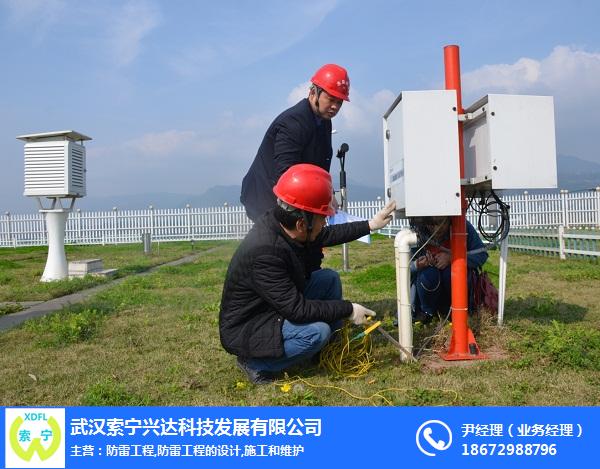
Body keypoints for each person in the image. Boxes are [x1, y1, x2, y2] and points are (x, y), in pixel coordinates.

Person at [220, 164, 396, 384]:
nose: (325, 223)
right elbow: (297, 310)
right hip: (251, 325)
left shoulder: (287, 225)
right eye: (323, 217)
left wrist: (371, 224)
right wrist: (348, 309)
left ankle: (324, 350)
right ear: (302, 223)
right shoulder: (265, 252)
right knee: (316, 332)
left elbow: (329, 234)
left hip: (274, 303)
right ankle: (255, 363)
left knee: (328, 279)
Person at [240, 63, 350, 222]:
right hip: (265, 197)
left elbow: (319, 164)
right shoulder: (293, 122)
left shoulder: (324, 121)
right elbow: (286, 172)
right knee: (277, 244)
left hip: (290, 196)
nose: (335, 107)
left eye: (339, 102)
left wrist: (328, 193)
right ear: (313, 92)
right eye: (331, 99)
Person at [409, 217, 489, 324]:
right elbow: (404, 268)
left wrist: (453, 258)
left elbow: (481, 254)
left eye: (440, 222)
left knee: (452, 272)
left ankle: (455, 311)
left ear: (449, 218)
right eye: (430, 224)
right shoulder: (418, 231)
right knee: (428, 275)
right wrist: (417, 265)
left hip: (454, 287)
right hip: (428, 288)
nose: (436, 229)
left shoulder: (462, 225)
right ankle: (427, 313)